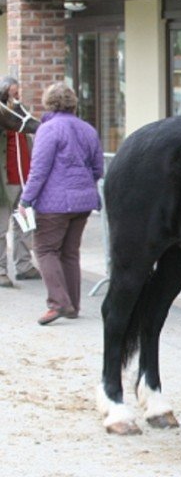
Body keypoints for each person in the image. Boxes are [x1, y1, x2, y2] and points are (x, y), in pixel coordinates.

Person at [18, 82, 104, 325]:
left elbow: (39, 170)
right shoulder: (88, 129)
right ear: (73, 103)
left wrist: (26, 200)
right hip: (84, 201)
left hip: (53, 203)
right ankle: (73, 305)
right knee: (70, 253)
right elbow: (98, 167)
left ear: (48, 102)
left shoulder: (48, 129)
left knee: (45, 250)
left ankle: (58, 302)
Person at [0, 76, 41, 287]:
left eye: (17, 94)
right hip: (4, 181)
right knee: (1, 227)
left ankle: (24, 266)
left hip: (25, 179)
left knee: (25, 225)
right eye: (12, 95)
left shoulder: (20, 113)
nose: (16, 99)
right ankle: (0, 270)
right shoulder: (5, 116)